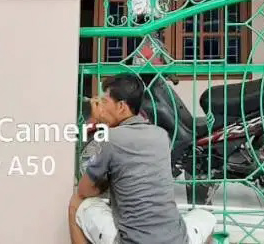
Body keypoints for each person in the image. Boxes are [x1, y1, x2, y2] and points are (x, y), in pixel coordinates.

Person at [69, 73, 217, 244]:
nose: (101, 107)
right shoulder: (161, 136)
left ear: (121, 107)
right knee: (207, 218)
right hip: (177, 240)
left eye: (105, 102)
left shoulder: (110, 138)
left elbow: (84, 190)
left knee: (76, 203)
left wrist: (98, 121)